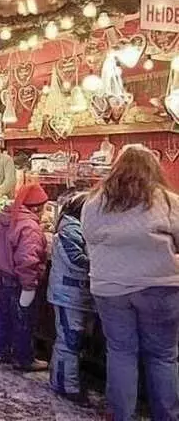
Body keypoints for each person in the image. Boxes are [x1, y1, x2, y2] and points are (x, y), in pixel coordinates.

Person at [81, 146, 179, 420]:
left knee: (121, 353)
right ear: (154, 168)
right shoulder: (169, 202)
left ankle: (121, 415)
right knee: (163, 356)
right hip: (160, 286)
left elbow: (87, 237)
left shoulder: (94, 202)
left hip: (110, 287)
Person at [0, 182, 49, 372]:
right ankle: (23, 358)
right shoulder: (29, 227)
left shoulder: (7, 217)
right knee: (23, 319)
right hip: (19, 280)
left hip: (3, 274)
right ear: (37, 207)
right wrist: (29, 286)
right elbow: (27, 259)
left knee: (2, 315)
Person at [46, 192, 91, 406]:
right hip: (68, 293)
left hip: (72, 292)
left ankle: (60, 379)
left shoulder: (71, 227)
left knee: (70, 338)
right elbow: (77, 261)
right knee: (69, 339)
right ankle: (67, 385)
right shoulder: (70, 230)